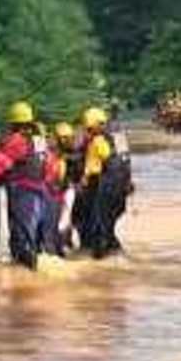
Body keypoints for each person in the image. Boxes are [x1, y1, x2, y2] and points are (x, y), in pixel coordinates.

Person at [0, 101, 56, 270]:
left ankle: (24, 280)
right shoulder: (39, 140)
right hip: (42, 192)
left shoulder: (15, 141)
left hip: (22, 194)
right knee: (35, 239)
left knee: (21, 239)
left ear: (13, 123)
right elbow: (51, 167)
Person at [77, 106, 131, 259]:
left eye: (90, 129)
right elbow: (126, 160)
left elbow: (91, 169)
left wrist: (83, 181)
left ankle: (98, 262)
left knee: (99, 226)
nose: (89, 132)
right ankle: (117, 254)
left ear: (96, 125)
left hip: (108, 186)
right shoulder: (119, 136)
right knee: (109, 225)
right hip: (123, 186)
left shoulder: (98, 140)